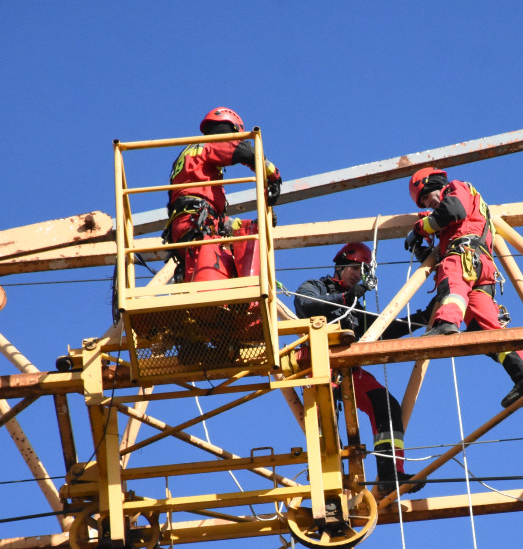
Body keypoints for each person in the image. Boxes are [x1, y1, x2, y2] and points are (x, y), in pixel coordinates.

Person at [294, 243, 428, 494]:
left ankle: (390, 474)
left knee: (386, 405)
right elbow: (305, 305)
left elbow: (383, 327)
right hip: (320, 367)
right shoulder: (315, 287)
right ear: (340, 267)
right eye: (354, 267)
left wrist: (422, 317)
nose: (358, 273)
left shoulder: (355, 309)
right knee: (327, 418)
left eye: (362, 270)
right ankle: (327, 476)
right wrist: (348, 296)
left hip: (349, 370)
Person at [404, 167, 523, 409]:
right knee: (485, 329)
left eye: (426, 197)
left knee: (451, 287)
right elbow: (450, 222)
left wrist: (419, 228)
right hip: (481, 267)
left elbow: (452, 211)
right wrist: (424, 246)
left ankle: (446, 324)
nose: (428, 203)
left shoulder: (457, 188)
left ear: (434, 184)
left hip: (463, 258)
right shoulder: (464, 210)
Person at [164, 107, 281, 284]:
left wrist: (249, 225)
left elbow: (216, 221)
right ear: (230, 129)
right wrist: (274, 176)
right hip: (196, 225)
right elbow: (246, 152)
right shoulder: (210, 144)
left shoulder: (193, 162)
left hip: (187, 226)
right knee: (215, 279)